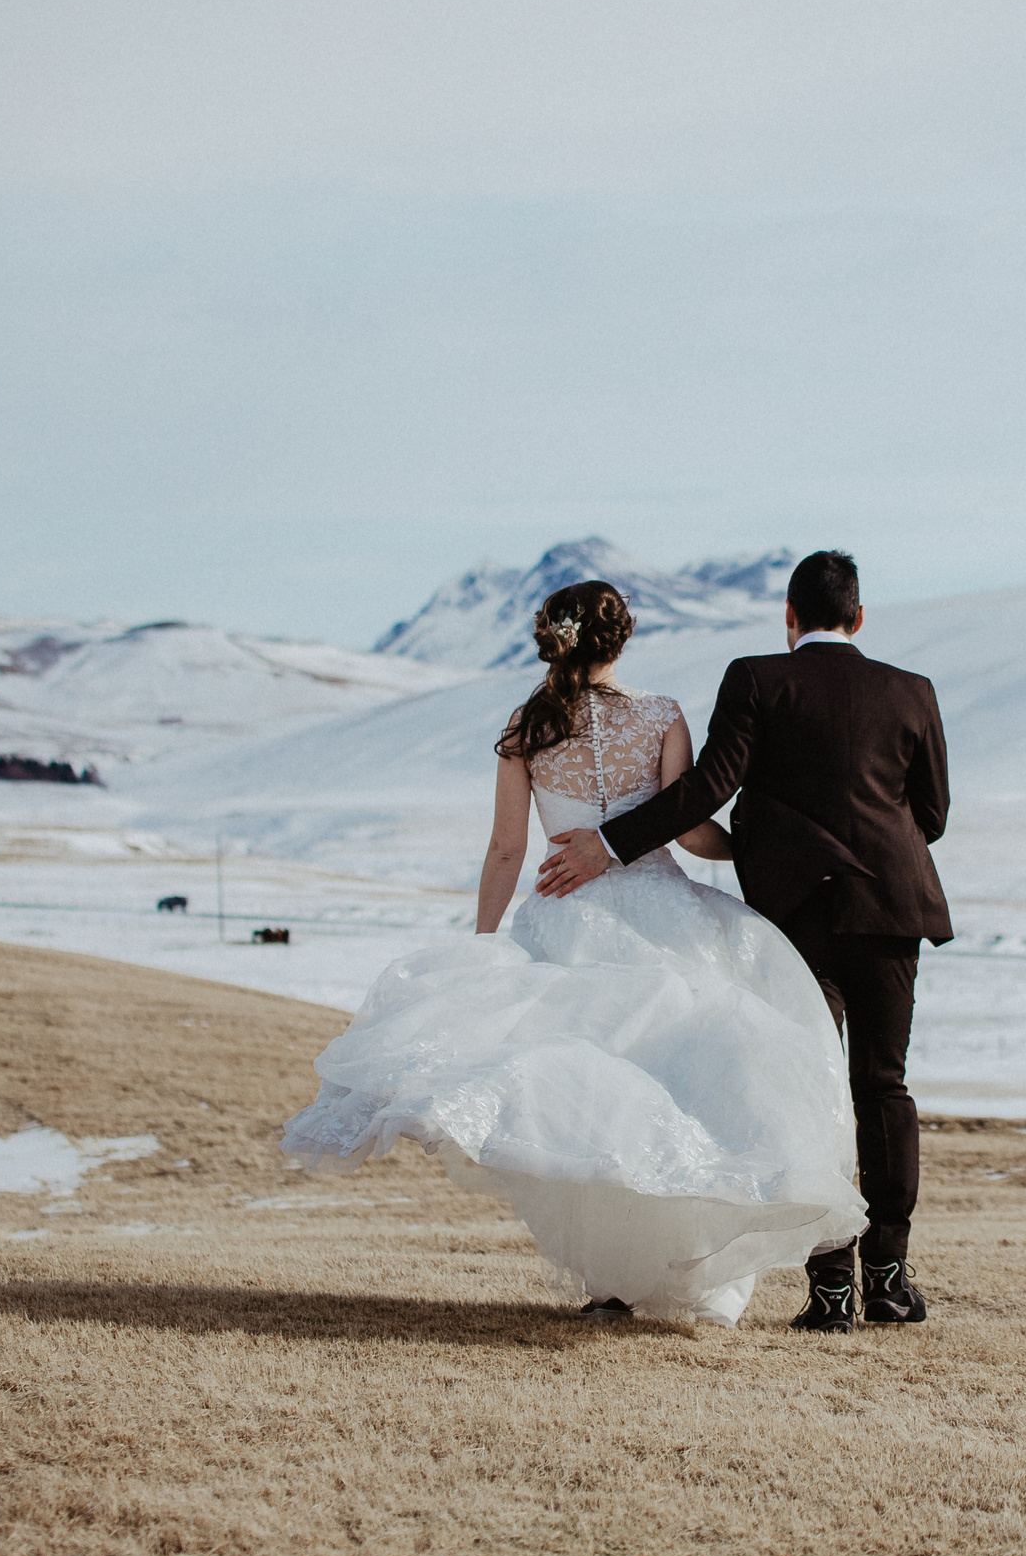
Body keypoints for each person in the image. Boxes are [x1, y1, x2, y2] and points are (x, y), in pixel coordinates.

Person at [280, 579, 865, 1327]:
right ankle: (675, 1268)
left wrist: (485, 950)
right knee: (680, 1083)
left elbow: (504, 849)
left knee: (589, 1099)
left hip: (567, 919)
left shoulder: (529, 724)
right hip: (664, 912)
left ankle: (615, 1281)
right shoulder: (660, 715)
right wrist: (762, 846)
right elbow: (688, 831)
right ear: (621, 640)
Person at [536, 550, 951, 1332]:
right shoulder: (912, 690)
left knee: (816, 1090)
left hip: (798, 916)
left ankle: (830, 1290)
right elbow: (933, 814)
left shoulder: (758, 677)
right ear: (858, 618)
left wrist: (608, 844)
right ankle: (889, 1278)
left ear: (788, 619)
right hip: (893, 908)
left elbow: (706, 788)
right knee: (883, 1084)